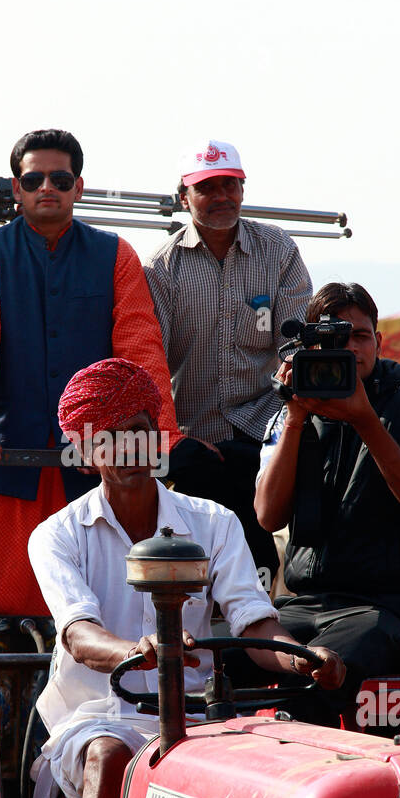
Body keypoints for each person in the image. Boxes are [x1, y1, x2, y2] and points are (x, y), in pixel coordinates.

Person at [27, 358, 344, 798]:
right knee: (108, 755)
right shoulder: (56, 535)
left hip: (197, 720)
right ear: (87, 451)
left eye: (139, 428)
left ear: (160, 437)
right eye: (108, 435)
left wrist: (303, 659)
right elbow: (78, 634)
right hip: (99, 715)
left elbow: (254, 625)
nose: (127, 449)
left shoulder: (214, 523)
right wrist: (135, 652)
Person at [0, 128, 181, 617]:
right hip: (7, 460)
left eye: (59, 177)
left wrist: (162, 439)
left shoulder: (116, 255)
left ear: (79, 186)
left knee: (105, 609)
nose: (45, 187)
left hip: (100, 466)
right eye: (33, 179)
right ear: (16, 189)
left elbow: (142, 353)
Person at [254, 282, 400, 727]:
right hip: (304, 605)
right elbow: (268, 515)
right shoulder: (288, 413)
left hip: (388, 611)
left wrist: (365, 419)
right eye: (332, 341)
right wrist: (296, 419)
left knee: (324, 669)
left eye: (359, 336)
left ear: (378, 342)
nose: (348, 349)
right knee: (227, 656)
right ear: (307, 347)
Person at [144, 139, 313, 589]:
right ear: (184, 197)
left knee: (258, 568)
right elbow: (149, 361)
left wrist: (275, 423)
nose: (221, 197)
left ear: (242, 188)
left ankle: (253, 653)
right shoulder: (162, 268)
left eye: (230, 185)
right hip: (190, 443)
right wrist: (176, 441)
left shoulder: (278, 250)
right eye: (207, 188)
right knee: (188, 572)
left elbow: (295, 344)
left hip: (260, 434)